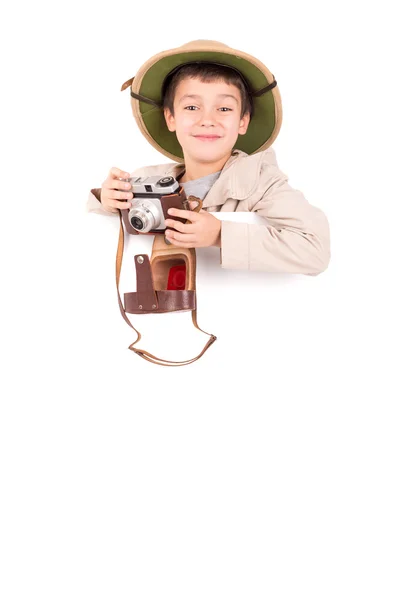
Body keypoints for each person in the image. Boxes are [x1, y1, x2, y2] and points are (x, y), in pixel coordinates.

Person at [87, 40, 330, 275]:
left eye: (224, 109)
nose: (207, 120)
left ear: (242, 121)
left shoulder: (261, 183)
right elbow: (95, 232)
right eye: (192, 107)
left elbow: (315, 249)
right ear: (170, 118)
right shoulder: (145, 179)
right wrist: (107, 201)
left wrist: (220, 235)